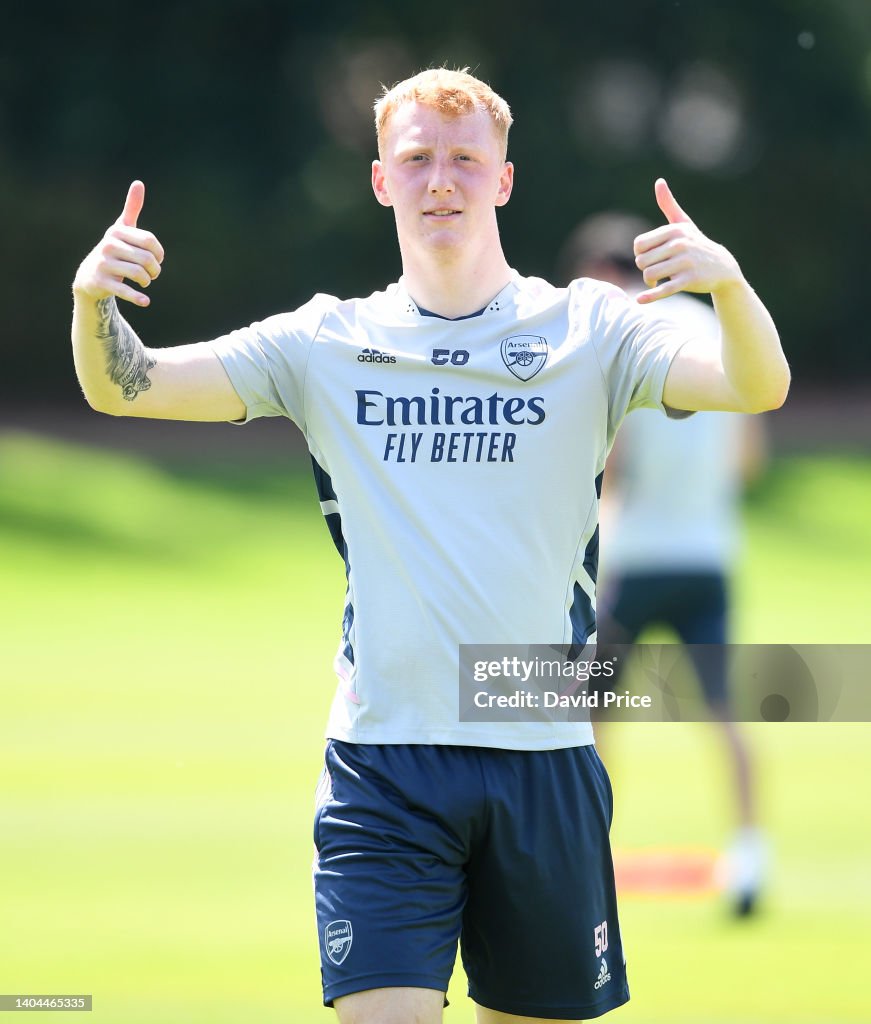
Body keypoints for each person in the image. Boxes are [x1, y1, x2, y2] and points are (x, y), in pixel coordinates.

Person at [71, 68, 789, 1024]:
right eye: (416, 159)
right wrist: (92, 303)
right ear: (380, 180)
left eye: (463, 159)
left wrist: (728, 284)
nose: (439, 179)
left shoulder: (590, 326)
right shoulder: (323, 339)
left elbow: (756, 386)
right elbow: (129, 386)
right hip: (384, 761)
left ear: (502, 180)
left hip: (542, 752)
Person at [559, 212, 770, 917]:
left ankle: (586, 857)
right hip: (708, 552)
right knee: (722, 712)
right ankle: (749, 856)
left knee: (587, 718)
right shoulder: (714, 327)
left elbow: (609, 466)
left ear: (609, 274)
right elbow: (748, 457)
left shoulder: (625, 333)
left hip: (633, 559)